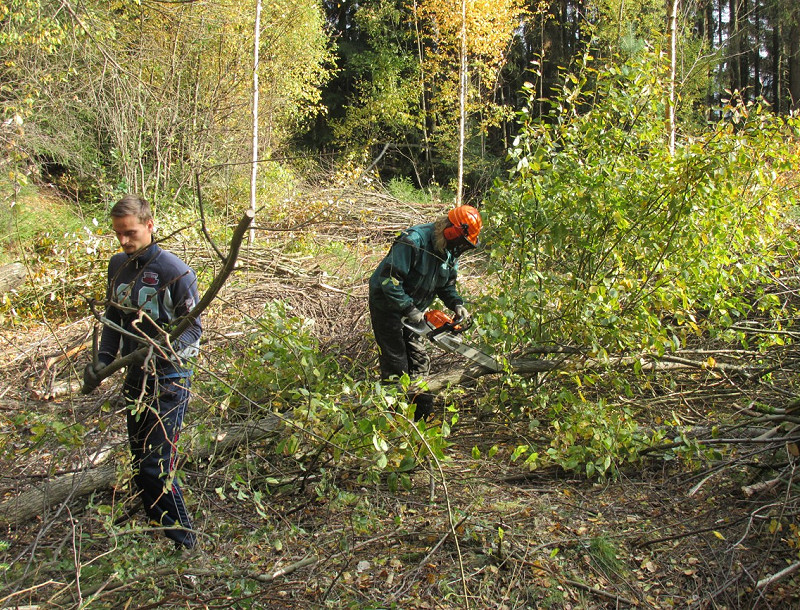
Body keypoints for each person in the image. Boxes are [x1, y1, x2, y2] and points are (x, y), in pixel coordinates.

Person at [83, 194, 202, 550]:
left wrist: (155, 352)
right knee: (140, 462)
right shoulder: (117, 265)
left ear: (150, 225)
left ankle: (187, 545)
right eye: (118, 233)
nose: (123, 240)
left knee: (156, 465)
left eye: (130, 232)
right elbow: (113, 321)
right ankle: (160, 532)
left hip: (169, 378)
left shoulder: (175, 271)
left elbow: (193, 330)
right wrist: (103, 362)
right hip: (134, 377)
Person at [368, 205, 483, 421]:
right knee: (397, 362)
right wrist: (408, 308)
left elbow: (446, 285)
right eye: (459, 242)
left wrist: (456, 304)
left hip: (415, 311)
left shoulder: (449, 252)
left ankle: (421, 417)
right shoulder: (413, 241)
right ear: (451, 231)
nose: (459, 247)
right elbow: (389, 280)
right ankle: (392, 418)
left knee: (419, 360)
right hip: (387, 305)